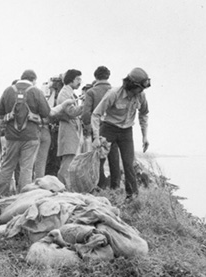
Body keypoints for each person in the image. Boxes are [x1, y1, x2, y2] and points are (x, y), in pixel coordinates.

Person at [91, 67, 151, 200]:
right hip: (109, 128)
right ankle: (95, 191)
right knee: (99, 161)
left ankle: (132, 198)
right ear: (131, 85)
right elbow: (96, 114)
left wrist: (144, 136)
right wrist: (96, 137)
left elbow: (144, 114)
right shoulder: (113, 94)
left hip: (126, 132)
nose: (141, 91)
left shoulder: (141, 96)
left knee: (129, 164)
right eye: (139, 88)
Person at [0, 69, 51, 195]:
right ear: (34, 80)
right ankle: (23, 197)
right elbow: (46, 112)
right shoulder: (37, 91)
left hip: (11, 136)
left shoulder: (8, 90)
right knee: (27, 168)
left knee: (7, 166)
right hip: (31, 136)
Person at [82, 65, 117, 189]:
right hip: (114, 127)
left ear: (95, 77)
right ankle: (115, 187)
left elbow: (86, 113)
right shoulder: (115, 91)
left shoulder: (91, 92)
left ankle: (100, 185)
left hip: (97, 128)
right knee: (114, 158)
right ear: (108, 76)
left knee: (98, 159)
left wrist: (87, 126)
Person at [55, 69, 84, 184]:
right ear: (70, 79)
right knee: (67, 164)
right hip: (68, 131)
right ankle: (61, 187)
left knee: (69, 162)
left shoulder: (69, 92)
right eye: (77, 79)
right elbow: (71, 112)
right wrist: (85, 105)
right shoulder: (65, 93)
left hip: (71, 130)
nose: (80, 82)